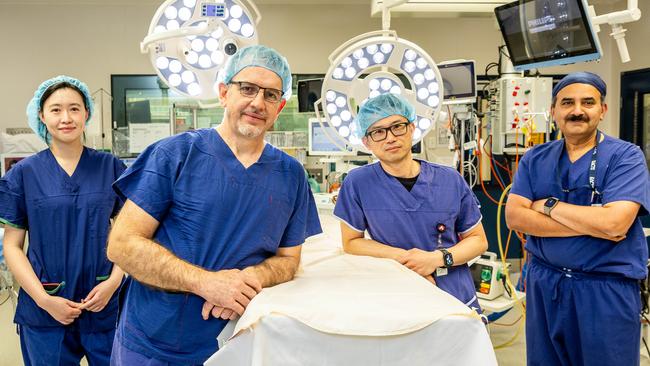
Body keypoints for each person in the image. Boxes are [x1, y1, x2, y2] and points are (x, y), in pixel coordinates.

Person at [106, 45, 322, 365]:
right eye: (247, 88)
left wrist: (247, 281)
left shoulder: (291, 174)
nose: (258, 102)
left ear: (280, 106)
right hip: (154, 344)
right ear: (224, 93)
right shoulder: (174, 155)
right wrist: (207, 283)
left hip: (240, 343)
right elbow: (122, 246)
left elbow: (289, 259)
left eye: (271, 95)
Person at [505, 72, 650, 366]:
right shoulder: (535, 158)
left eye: (588, 102)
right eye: (567, 102)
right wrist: (592, 223)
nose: (577, 111)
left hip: (604, 289)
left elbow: (615, 224)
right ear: (554, 111)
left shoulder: (626, 157)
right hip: (545, 284)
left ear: (602, 110)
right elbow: (515, 217)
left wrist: (547, 205)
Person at [0, 75, 126, 365]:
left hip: (103, 301)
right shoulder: (24, 174)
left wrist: (114, 283)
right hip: (45, 306)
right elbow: (12, 247)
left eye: (74, 108)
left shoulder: (111, 167)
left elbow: (129, 236)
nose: (66, 118)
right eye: (56, 110)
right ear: (42, 116)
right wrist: (44, 301)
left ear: (86, 113)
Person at [333, 93, 488, 311]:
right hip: (397, 291)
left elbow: (478, 240)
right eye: (378, 132)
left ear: (412, 128)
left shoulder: (450, 180)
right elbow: (351, 242)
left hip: (453, 293)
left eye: (397, 126)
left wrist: (436, 259)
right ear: (366, 142)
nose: (390, 138)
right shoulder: (358, 183)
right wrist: (410, 261)